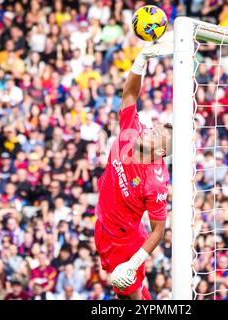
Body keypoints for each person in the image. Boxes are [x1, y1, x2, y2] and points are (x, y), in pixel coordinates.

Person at [94, 43, 173, 300]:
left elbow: (158, 230)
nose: (151, 129)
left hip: (125, 241)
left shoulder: (156, 182)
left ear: (161, 152)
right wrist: (140, 60)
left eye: (157, 134)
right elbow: (129, 95)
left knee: (129, 296)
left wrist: (134, 261)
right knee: (125, 292)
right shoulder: (131, 130)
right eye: (155, 127)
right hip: (102, 226)